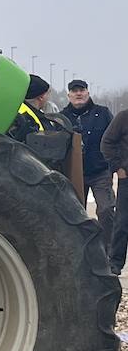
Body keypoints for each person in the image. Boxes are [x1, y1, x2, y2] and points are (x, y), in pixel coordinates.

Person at [61, 81, 115, 248]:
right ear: (68, 95)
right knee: (76, 214)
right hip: (75, 173)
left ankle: (109, 251)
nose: (78, 94)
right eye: (74, 91)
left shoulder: (103, 113)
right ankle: (81, 249)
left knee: (106, 210)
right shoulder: (63, 117)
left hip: (100, 171)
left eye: (82, 90)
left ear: (88, 92)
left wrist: (115, 163)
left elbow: (114, 138)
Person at [100, 106, 128, 275]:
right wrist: (118, 167)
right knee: (122, 222)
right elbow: (106, 143)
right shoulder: (123, 117)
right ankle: (115, 262)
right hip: (127, 180)